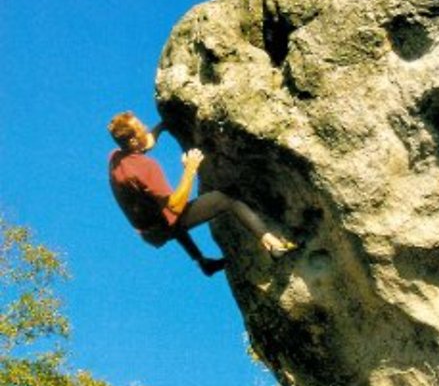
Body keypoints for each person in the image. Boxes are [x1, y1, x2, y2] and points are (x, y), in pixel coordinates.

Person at [107, 112, 297, 276]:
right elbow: (175, 205)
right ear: (132, 139)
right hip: (161, 226)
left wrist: (164, 125)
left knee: (167, 217)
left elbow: (144, 144)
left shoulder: (116, 157)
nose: (146, 128)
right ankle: (272, 244)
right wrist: (190, 168)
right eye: (141, 128)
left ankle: (204, 263)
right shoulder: (146, 168)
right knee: (225, 199)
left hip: (149, 229)